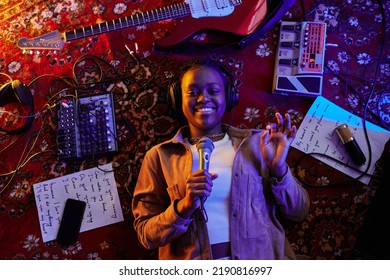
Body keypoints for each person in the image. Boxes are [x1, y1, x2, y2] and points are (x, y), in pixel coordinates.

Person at [131, 57, 310, 260]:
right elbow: (146, 235)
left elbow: (299, 212)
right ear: (177, 99)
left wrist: (278, 169)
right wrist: (184, 207)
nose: (203, 98)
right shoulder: (159, 157)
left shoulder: (259, 145)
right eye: (193, 92)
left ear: (229, 97)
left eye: (213, 91)